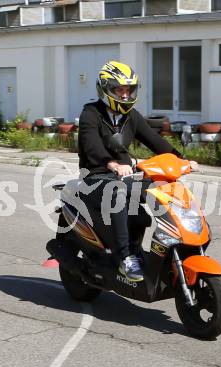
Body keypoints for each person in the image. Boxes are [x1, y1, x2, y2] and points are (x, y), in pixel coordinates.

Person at [78, 60, 188, 282]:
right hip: (95, 177)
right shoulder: (91, 113)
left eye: (129, 90)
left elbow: (155, 141)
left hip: (123, 177)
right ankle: (125, 259)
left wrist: (182, 160)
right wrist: (112, 163)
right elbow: (91, 146)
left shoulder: (131, 116)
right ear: (106, 89)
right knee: (118, 193)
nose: (126, 95)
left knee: (164, 188)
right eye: (120, 90)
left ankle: (167, 247)